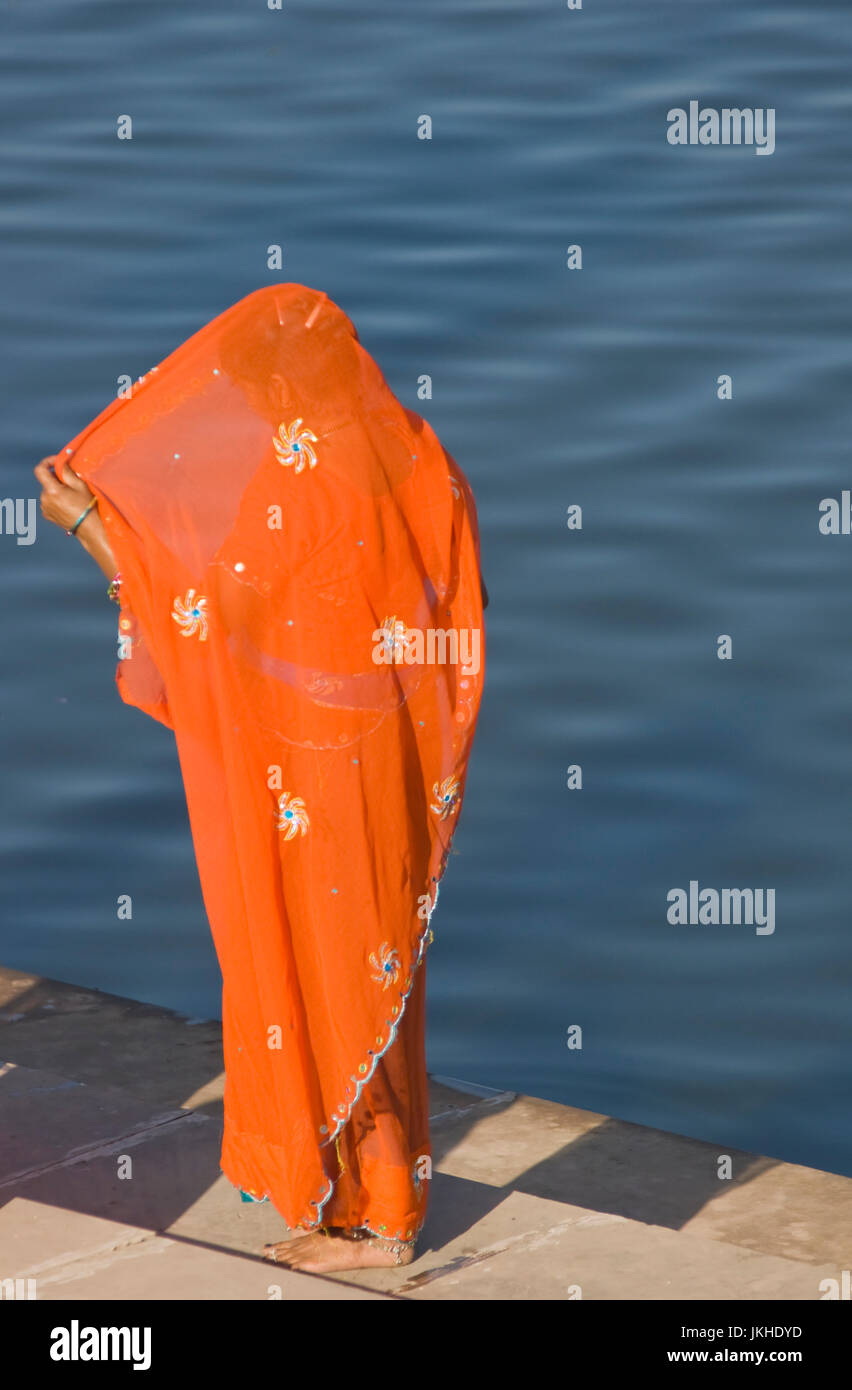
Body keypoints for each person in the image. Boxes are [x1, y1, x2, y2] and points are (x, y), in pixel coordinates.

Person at [34, 283, 486, 1272]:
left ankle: (382, 1220)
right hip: (377, 755)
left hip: (308, 766)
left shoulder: (293, 482)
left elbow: (207, 622)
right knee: (374, 976)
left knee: (317, 970)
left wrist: (86, 526)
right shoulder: (419, 459)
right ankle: (359, 1193)